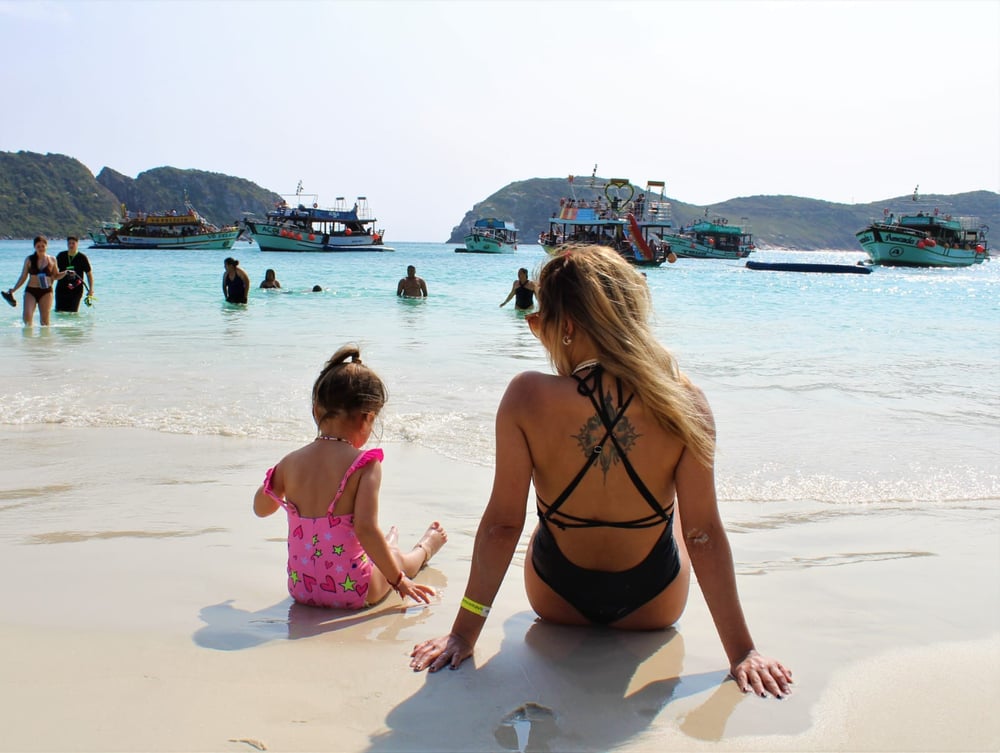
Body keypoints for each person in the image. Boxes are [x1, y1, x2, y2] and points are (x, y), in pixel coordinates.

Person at [409, 245, 792, 699]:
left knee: (539, 525)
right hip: (653, 608)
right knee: (679, 528)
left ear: (567, 326)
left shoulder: (526, 396)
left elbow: (501, 526)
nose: (535, 327)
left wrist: (463, 635)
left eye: (541, 318)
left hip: (555, 600)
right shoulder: (685, 399)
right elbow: (703, 533)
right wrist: (742, 652)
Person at [253, 345, 447, 609]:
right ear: (367, 418)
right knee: (394, 558)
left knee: (376, 550)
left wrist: (275, 478)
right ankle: (425, 548)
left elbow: (261, 509)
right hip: (354, 591)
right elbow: (365, 529)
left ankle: (387, 545)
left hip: (302, 588)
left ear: (316, 410)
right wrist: (400, 582)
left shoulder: (290, 462)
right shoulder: (364, 465)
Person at [6, 236, 67, 326]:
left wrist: (66, 272)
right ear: (34, 247)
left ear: (46, 246)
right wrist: (14, 289)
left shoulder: (52, 259)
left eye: (43, 246)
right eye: (38, 246)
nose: (41, 248)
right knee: (27, 317)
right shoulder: (29, 259)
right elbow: (23, 277)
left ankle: (44, 339)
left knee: (45, 321)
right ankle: (28, 339)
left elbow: (55, 276)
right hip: (31, 291)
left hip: (46, 292)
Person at [55, 236, 94, 312]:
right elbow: (54, 273)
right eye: (69, 243)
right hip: (61, 288)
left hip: (76, 288)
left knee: (72, 312)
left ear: (77, 244)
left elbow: (89, 274)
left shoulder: (82, 257)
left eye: (73, 243)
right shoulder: (61, 256)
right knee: (59, 311)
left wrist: (91, 290)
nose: (71, 245)